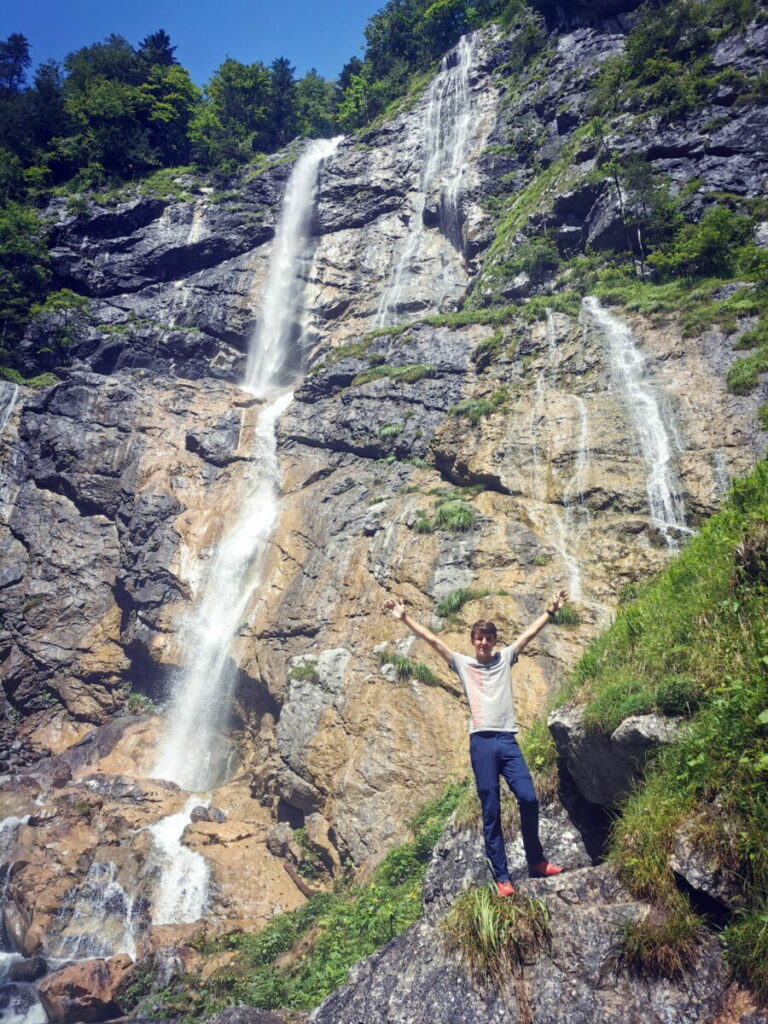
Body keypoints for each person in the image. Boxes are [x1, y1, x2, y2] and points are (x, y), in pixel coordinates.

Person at [385, 589, 569, 897]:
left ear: (494, 641)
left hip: (507, 739)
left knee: (528, 798)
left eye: (488, 638)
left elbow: (528, 634)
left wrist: (551, 611)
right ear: (473, 641)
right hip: (481, 743)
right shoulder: (462, 664)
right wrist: (405, 619)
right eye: (479, 638)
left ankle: (536, 861)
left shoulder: (506, 658)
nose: (483, 643)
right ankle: (502, 877)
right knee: (491, 811)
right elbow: (433, 641)